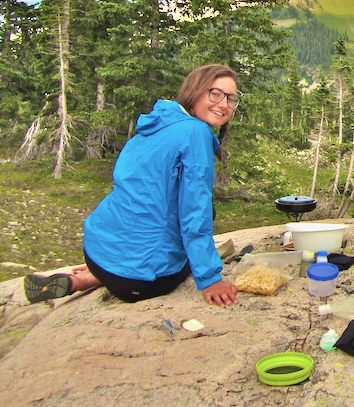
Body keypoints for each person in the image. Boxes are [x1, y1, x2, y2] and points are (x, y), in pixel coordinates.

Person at [24, 64, 241, 307]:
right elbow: (194, 212)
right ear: (195, 90)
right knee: (202, 225)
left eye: (231, 99)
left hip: (96, 251)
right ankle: (110, 276)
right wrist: (210, 279)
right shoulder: (196, 132)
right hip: (139, 282)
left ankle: (86, 278)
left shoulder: (159, 123)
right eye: (216, 93)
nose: (224, 104)